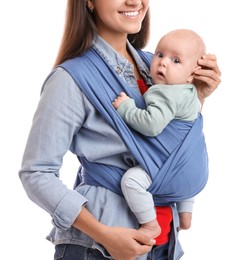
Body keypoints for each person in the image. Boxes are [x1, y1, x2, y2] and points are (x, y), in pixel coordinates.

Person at [18, 1, 221, 260]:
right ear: (89, 2)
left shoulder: (157, 65)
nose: (134, 1)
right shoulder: (70, 79)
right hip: (98, 246)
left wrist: (198, 96)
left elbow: (165, 147)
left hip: (162, 244)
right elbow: (36, 173)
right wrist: (104, 234)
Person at [112, 28, 206, 240]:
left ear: (192, 74)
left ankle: (149, 224)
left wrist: (126, 107)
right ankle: (185, 214)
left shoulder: (164, 93)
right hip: (195, 170)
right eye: (160, 54)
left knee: (131, 181)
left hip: (170, 168)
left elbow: (151, 125)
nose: (163, 63)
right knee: (182, 165)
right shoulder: (191, 92)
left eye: (175, 60)